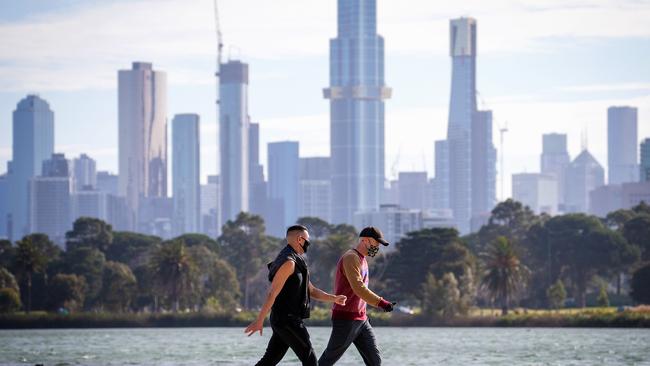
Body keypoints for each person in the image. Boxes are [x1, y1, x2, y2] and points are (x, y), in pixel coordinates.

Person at [245, 224, 347, 366]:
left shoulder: (298, 261)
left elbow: (311, 290)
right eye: (307, 240)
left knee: (269, 360)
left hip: (286, 320)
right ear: (300, 239)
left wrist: (334, 298)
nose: (308, 244)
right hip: (287, 320)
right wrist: (259, 320)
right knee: (310, 361)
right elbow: (272, 293)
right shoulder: (288, 262)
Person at [318, 226, 395, 366]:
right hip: (346, 318)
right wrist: (382, 303)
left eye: (379, 244)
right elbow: (358, 288)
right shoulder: (351, 258)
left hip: (361, 319)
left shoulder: (363, 259)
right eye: (375, 243)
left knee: (374, 361)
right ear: (364, 240)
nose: (377, 246)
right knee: (328, 359)